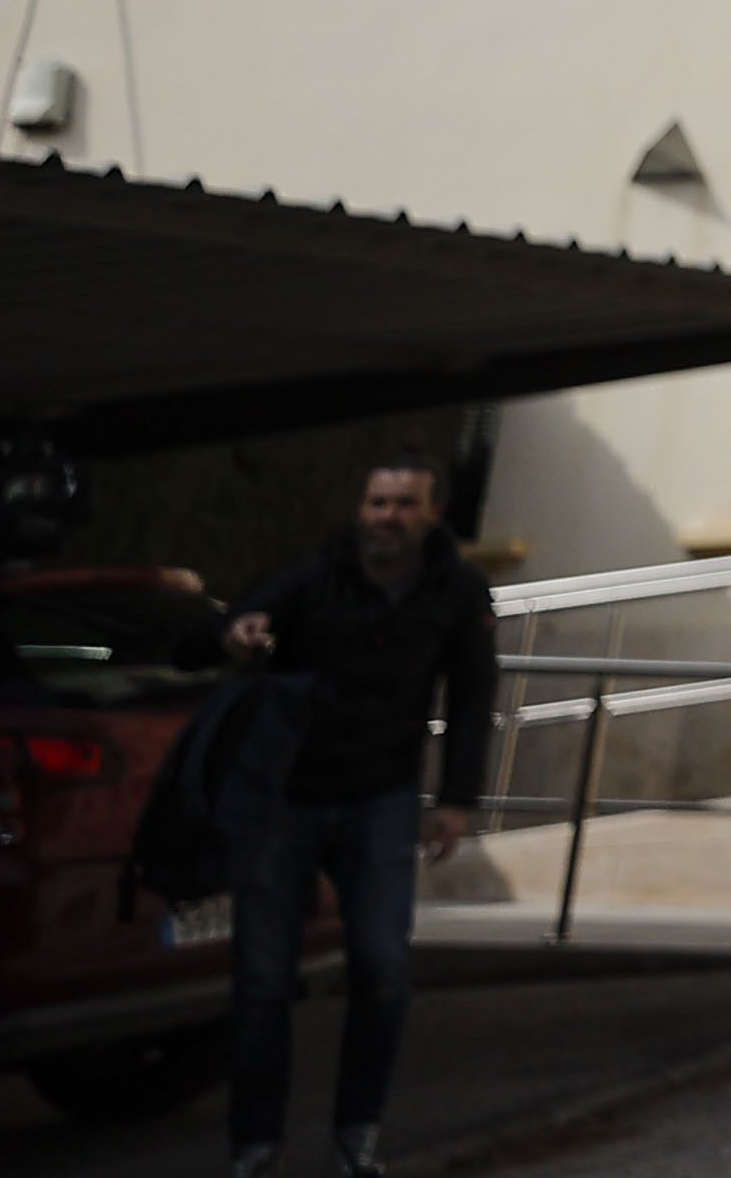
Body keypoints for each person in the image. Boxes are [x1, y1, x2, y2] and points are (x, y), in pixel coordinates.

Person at [219, 451, 494, 1178]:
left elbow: (473, 694)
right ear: (361, 508)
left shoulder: (457, 587)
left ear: (432, 513)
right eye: (377, 502)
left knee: (382, 967)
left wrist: (457, 799)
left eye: (404, 504)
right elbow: (245, 614)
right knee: (262, 977)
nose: (387, 517)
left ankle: (357, 1134)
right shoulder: (318, 571)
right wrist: (242, 629)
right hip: (290, 793)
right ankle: (254, 1145)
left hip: (381, 795)